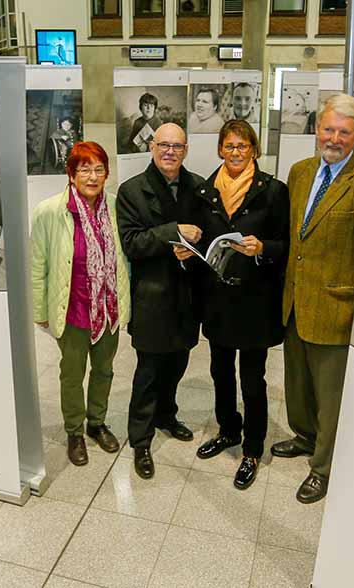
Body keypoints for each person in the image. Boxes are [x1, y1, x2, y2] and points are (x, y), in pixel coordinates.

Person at [271, 93, 354, 504]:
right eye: (328, 129)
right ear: (317, 129)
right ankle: (305, 436)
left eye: (343, 132)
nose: (334, 138)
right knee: (297, 381)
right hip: (294, 298)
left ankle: (324, 466)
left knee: (330, 393)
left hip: (335, 303)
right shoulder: (299, 172)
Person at [187, 120, 289, 490]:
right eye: (229, 147)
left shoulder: (273, 191)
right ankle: (228, 429)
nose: (235, 153)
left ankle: (252, 448)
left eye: (242, 147)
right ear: (220, 149)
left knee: (253, 377)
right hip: (217, 300)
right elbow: (202, 242)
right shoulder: (205, 191)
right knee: (219, 371)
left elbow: (285, 245)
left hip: (255, 300)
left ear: (254, 150)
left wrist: (263, 249)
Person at [31, 142, 131, 466]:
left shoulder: (116, 208)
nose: (92, 175)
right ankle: (74, 431)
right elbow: (37, 266)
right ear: (71, 174)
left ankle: (96, 424)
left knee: (104, 370)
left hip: (108, 310)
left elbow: (124, 259)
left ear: (107, 173)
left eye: (98, 168)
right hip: (72, 310)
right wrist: (40, 311)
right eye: (84, 168)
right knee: (72, 375)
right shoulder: (49, 212)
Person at [116, 123, 204, 479]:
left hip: (186, 295)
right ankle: (140, 440)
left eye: (177, 146)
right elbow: (133, 244)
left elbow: (206, 234)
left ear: (186, 150)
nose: (170, 152)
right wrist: (175, 234)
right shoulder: (131, 190)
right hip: (152, 296)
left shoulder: (198, 186)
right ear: (151, 147)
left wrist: (193, 250)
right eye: (164, 145)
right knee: (148, 372)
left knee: (178, 363)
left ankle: (167, 415)